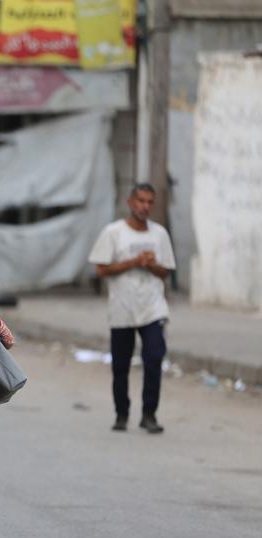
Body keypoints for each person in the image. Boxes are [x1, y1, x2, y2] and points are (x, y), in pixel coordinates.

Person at [88, 183, 175, 434]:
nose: (145, 206)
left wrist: (151, 265)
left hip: (153, 307)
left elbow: (166, 272)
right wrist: (133, 262)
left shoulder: (160, 234)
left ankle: (149, 414)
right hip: (122, 308)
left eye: (149, 202)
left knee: (154, 357)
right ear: (130, 202)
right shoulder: (113, 232)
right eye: (141, 201)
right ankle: (122, 413)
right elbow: (101, 269)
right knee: (121, 365)